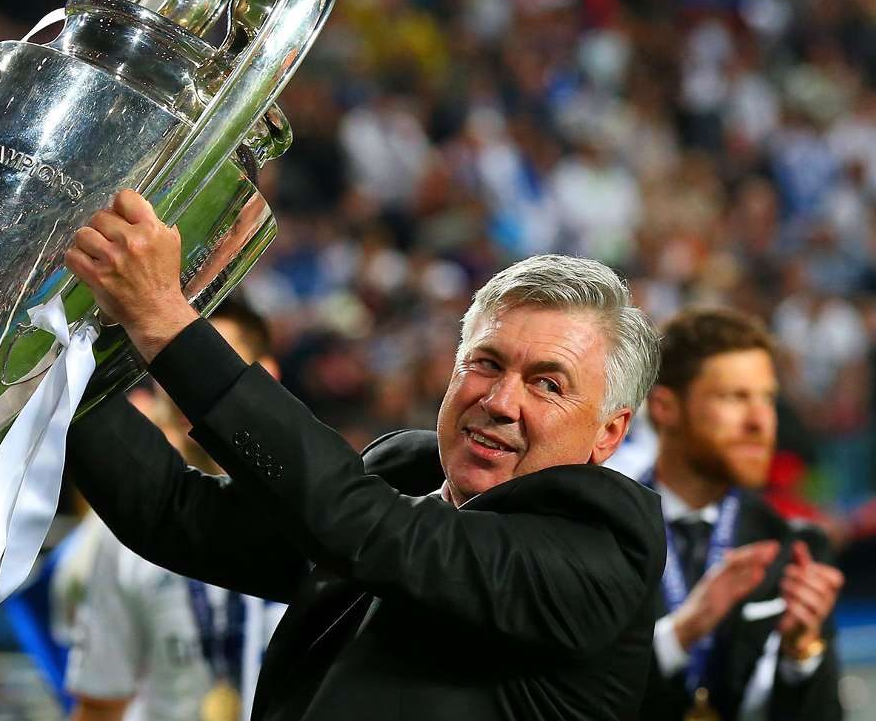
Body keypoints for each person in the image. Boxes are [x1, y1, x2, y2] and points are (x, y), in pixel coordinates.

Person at [62, 189, 667, 720]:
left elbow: (364, 526)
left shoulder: (604, 545)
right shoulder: (406, 472)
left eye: (548, 384)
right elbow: (178, 513)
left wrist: (164, 319)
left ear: (608, 434)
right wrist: (48, 368)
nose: (501, 401)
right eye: (486, 363)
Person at [63, 299, 285, 721]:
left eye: (211, 365)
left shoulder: (315, 520)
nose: (187, 385)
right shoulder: (120, 532)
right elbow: (102, 704)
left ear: (265, 375)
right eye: (172, 365)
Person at [638, 307, 844, 720]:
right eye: (734, 397)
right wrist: (681, 634)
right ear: (665, 408)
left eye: (767, 398)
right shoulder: (598, 533)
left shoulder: (794, 547)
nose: (760, 421)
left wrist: (800, 655)